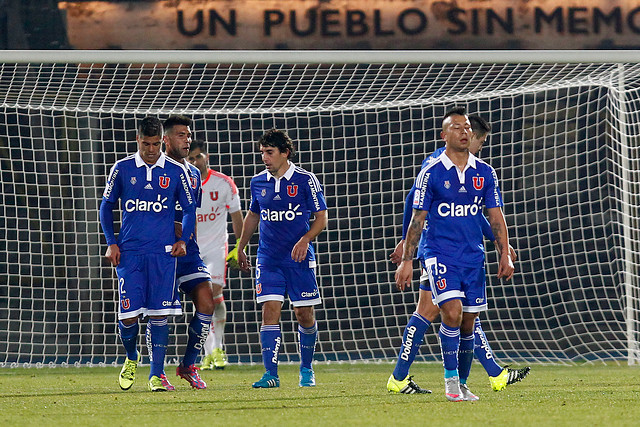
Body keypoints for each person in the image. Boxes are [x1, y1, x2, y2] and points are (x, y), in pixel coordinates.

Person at [388, 113, 530, 396]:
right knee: (452, 311)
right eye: (481, 141)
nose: (478, 145)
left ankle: (401, 378)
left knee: (436, 313)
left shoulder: (482, 171)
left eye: (467, 130)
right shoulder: (434, 167)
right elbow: (413, 204)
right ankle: (480, 377)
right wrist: (406, 245)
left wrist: (501, 246)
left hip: (467, 251)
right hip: (437, 248)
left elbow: (481, 212)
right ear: (451, 135)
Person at [99, 116, 196, 392]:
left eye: (155, 144)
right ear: (138, 140)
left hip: (163, 254)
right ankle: (131, 356)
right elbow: (106, 206)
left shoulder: (176, 171)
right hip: (130, 253)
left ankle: (156, 375)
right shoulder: (122, 168)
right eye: (146, 144)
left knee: (159, 315)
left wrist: (183, 239)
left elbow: (189, 211)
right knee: (128, 317)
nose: (151, 149)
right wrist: (111, 242)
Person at [236, 128, 328, 388]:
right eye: (262, 153)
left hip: (298, 259)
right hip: (268, 258)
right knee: (270, 310)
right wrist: (241, 247)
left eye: (270, 152)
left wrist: (305, 239)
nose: (265, 158)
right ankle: (271, 375)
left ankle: (307, 368)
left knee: (304, 315)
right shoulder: (258, 182)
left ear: (285, 153)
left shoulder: (305, 179)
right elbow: (253, 215)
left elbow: (321, 218)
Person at [160, 115, 211, 390]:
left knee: (206, 302)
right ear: (166, 139)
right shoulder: (156, 169)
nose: (187, 139)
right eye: (181, 134)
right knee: (159, 313)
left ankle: (188, 365)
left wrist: (189, 240)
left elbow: (192, 214)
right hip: (160, 252)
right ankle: (157, 371)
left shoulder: (193, 173)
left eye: (188, 135)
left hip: (188, 251)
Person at [186, 139, 243, 370]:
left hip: (217, 248)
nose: (194, 161)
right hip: (192, 250)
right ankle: (208, 352)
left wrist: (240, 247)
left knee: (214, 295)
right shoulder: (183, 181)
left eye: (197, 157)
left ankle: (217, 348)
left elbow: (238, 216)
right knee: (201, 299)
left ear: (206, 157)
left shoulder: (224, 184)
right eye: (190, 158)